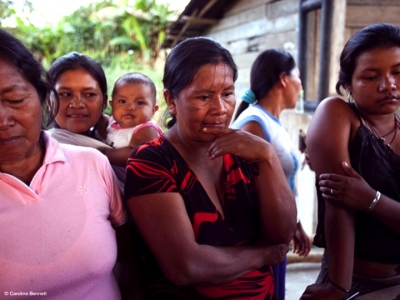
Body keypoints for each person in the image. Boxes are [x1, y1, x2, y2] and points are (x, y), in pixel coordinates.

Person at [124, 36, 297, 299]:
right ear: (171, 100)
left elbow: (281, 235)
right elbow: (185, 267)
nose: (220, 109)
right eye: (204, 97)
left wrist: (268, 157)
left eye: (227, 94)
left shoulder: (245, 153)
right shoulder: (151, 161)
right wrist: (261, 255)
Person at [0, 29, 126, 299]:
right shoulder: (104, 152)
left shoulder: (94, 162)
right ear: (53, 98)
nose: (3, 120)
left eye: (15, 100)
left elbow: (127, 250)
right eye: (66, 94)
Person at [301, 23, 400, 299]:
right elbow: (338, 206)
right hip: (356, 282)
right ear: (347, 85)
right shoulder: (337, 115)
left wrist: (371, 199)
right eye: (370, 77)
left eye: (398, 72)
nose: (388, 84)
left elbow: (361, 198)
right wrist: (338, 287)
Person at [231, 49, 311, 300]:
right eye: (298, 77)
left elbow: (280, 182)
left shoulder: (272, 122)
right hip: (260, 240)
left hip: (275, 235)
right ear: (283, 79)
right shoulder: (253, 124)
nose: (302, 85)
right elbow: (248, 190)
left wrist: (294, 223)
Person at [46, 52, 127, 184]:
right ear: (49, 101)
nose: (77, 104)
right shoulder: (47, 149)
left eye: (89, 94)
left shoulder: (115, 139)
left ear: (104, 102)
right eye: (65, 94)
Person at [102, 72, 163, 166]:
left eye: (139, 103)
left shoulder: (147, 129)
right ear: (112, 105)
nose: (130, 107)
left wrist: (104, 152)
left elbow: (135, 155)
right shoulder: (113, 122)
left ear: (153, 110)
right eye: (122, 101)